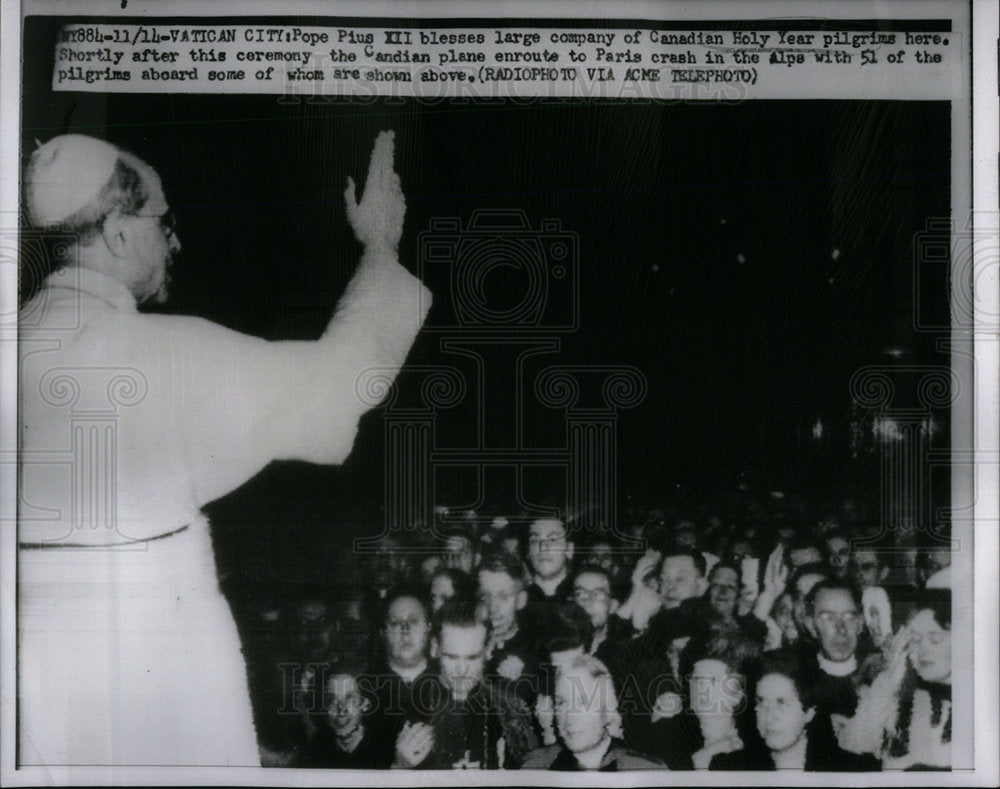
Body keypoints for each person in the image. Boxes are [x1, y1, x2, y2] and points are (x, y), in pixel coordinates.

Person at [18, 131, 431, 765]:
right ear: (119, 232)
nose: (175, 240)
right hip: (152, 670)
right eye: (164, 221)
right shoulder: (159, 354)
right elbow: (337, 387)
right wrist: (380, 245)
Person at [392, 601, 538, 769]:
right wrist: (399, 766)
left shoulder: (511, 709)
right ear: (434, 648)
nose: (462, 670)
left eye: (472, 657)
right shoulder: (402, 707)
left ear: (489, 649)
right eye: (452, 657)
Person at [837, 589, 952, 770]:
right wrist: (890, 679)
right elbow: (853, 744)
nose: (921, 650)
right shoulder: (901, 698)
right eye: (915, 639)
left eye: (935, 639)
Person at [710, 651, 879, 771]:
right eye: (762, 702)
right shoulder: (730, 768)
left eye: (781, 702)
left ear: (810, 712)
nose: (769, 716)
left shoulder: (851, 769)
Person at [521, 655, 665, 770]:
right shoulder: (534, 767)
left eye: (583, 703)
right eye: (561, 703)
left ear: (608, 709)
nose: (570, 717)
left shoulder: (645, 769)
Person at [296, 660, 392, 769]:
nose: (341, 710)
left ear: (365, 704)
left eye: (349, 698)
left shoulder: (383, 748)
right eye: (332, 700)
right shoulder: (317, 746)